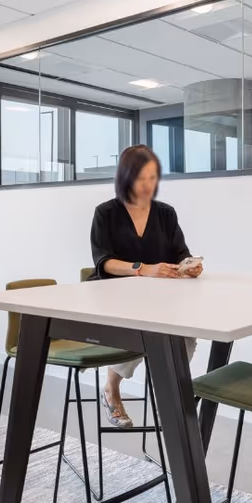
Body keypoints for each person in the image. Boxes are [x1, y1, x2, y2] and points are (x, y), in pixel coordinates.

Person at [90, 144, 202, 427]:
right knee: (141, 331)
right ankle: (111, 389)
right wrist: (143, 269)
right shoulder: (106, 212)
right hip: (116, 298)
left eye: (152, 177)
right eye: (142, 178)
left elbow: (181, 253)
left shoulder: (166, 213)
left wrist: (190, 266)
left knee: (186, 339)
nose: (148, 184)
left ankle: (167, 396)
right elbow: (103, 262)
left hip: (160, 300)